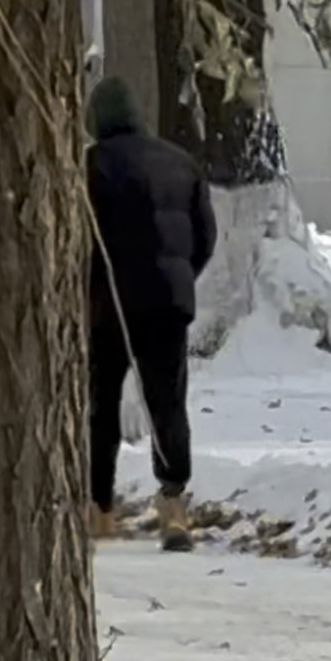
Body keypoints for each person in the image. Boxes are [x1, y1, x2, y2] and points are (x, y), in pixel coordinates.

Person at [84, 77, 214, 545]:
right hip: (167, 303)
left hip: (110, 307)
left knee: (101, 406)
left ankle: (99, 509)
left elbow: (79, 242)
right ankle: (174, 505)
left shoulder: (90, 166)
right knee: (168, 403)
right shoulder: (182, 163)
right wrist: (177, 278)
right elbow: (204, 239)